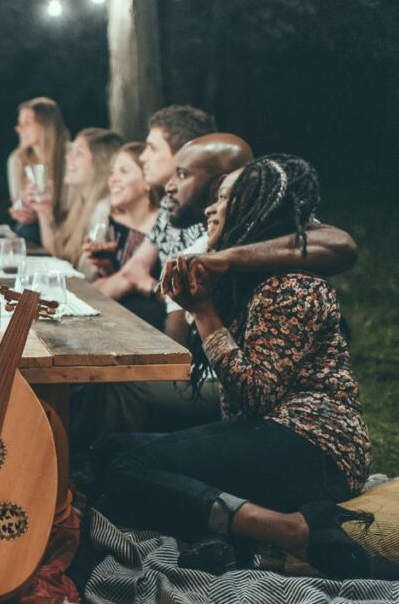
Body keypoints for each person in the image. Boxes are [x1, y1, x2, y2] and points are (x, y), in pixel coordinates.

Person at [97, 156, 372, 579]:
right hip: (269, 430)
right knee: (108, 453)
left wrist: (204, 314)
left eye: (224, 198)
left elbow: (257, 394)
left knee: (128, 471)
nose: (210, 208)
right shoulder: (251, 279)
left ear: (253, 210)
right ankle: (237, 533)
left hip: (317, 447)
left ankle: (290, 531)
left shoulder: (292, 285)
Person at [94, 105, 217, 303]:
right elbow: (132, 271)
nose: (143, 158)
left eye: (152, 148)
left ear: (184, 153)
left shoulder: (205, 213)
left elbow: (193, 302)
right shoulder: (169, 204)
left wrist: (148, 286)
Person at [87, 142, 162, 326]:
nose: (112, 179)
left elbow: (125, 283)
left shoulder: (162, 223)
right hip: (118, 318)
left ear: (147, 182)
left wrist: (82, 294)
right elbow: (116, 280)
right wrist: (106, 267)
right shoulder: (114, 222)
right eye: (113, 172)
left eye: (124, 171)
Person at [31, 128, 123, 266]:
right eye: (71, 151)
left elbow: (85, 275)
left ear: (100, 163)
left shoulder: (103, 210)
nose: (68, 157)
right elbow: (58, 256)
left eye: (79, 153)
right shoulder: (83, 203)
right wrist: (44, 210)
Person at [6, 97, 68, 246]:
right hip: (34, 228)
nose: (19, 128)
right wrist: (23, 211)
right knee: (25, 232)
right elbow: (17, 202)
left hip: (65, 227)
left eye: (27, 123)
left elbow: (74, 209)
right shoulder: (17, 160)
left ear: (47, 125)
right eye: (19, 123)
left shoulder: (69, 156)